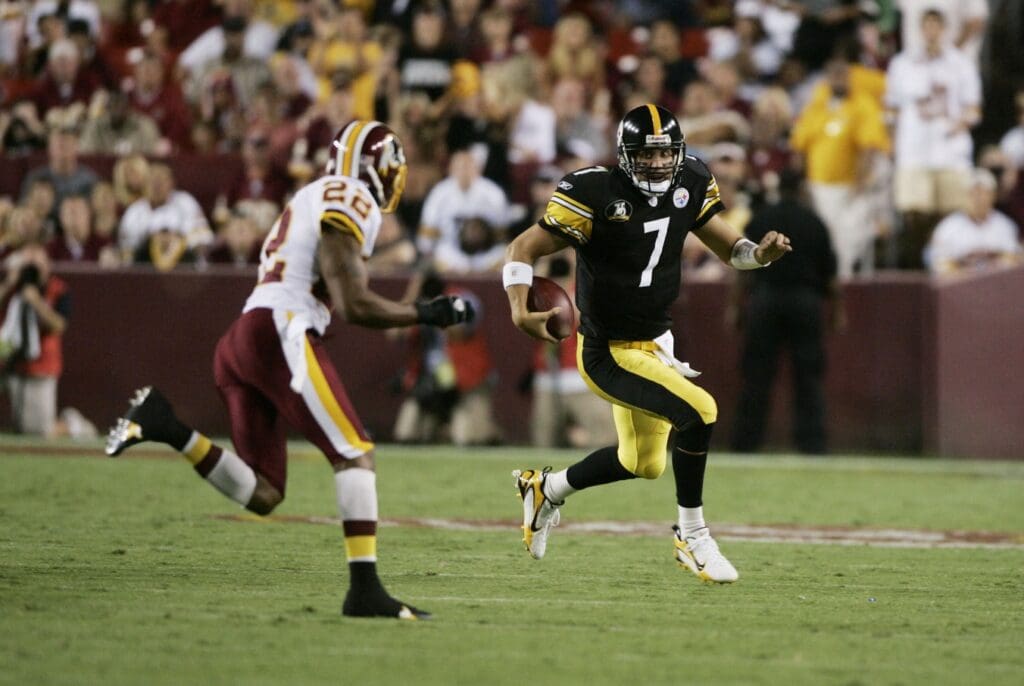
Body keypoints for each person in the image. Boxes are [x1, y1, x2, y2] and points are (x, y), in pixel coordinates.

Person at [104, 120, 475, 619]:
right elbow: (353, 301)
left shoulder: (314, 194)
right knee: (355, 453)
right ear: (373, 166)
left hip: (244, 336)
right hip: (282, 327)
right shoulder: (351, 196)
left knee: (264, 493)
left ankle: (165, 424)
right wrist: (426, 313)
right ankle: (364, 592)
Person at [503, 104, 791, 583]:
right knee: (699, 412)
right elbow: (522, 249)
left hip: (656, 343)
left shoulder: (692, 180)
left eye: (665, 154)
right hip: (607, 350)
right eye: (645, 154)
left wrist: (758, 255)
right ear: (624, 154)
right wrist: (517, 305)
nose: (657, 164)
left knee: (642, 462)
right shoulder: (593, 191)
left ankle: (546, 490)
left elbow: (731, 249)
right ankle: (692, 536)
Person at [729, 171, 842, 455]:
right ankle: (812, 445)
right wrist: (837, 311)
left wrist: (735, 307)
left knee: (757, 374)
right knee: (808, 376)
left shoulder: (761, 219)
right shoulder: (815, 223)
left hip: (765, 300)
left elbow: (742, 265)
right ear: (803, 190)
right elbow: (831, 275)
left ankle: (746, 442)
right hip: (806, 302)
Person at [0, 243, 70, 436]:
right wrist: (9, 283)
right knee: (21, 427)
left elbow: (60, 325)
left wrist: (36, 302)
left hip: (41, 364)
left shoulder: (57, 288)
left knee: (40, 430)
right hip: (9, 362)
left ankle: (73, 425)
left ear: (46, 265)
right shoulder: (12, 286)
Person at [924, 169, 1023, 275]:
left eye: (984, 193)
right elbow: (940, 266)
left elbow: (1015, 262)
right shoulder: (947, 228)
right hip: (959, 287)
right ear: (964, 196)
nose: (979, 198)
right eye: (973, 193)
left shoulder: (1005, 226)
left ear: (993, 196)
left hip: (998, 286)